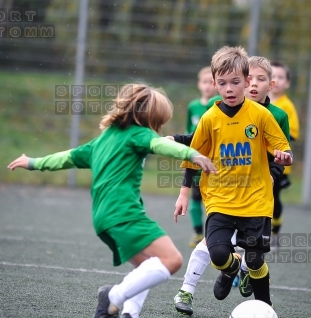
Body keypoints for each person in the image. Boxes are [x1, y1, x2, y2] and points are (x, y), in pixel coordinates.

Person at [7, 84, 217, 318]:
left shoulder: (101, 141)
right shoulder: (139, 133)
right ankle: (113, 297)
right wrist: (192, 153)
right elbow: (160, 144)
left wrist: (34, 162)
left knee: (146, 266)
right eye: (158, 121)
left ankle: (129, 313)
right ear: (147, 117)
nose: (158, 128)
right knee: (171, 259)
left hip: (103, 218)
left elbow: (65, 158)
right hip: (123, 213)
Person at [173, 47, 292, 315]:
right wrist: (183, 194)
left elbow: (281, 148)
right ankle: (231, 269)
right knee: (217, 254)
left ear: (247, 82)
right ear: (214, 84)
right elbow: (194, 155)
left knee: (256, 259)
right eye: (223, 83)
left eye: (235, 82)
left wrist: (285, 157)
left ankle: (265, 308)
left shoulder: (261, 116)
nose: (229, 88)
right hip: (219, 200)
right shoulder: (209, 118)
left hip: (256, 202)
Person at [185, 66, 218, 247]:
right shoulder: (193, 106)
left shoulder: (219, 105)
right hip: (197, 159)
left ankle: (214, 234)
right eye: (204, 82)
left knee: (213, 199)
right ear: (199, 84)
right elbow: (188, 131)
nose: (207, 86)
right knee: (195, 196)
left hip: (215, 161)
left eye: (210, 82)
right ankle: (198, 233)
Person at [269, 60, 300, 246]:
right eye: (273, 76)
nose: (277, 80)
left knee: (274, 196)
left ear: (287, 83)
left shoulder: (286, 106)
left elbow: (293, 134)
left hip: (278, 163)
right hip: (258, 161)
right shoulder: (256, 104)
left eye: (281, 77)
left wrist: (272, 134)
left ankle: (275, 231)